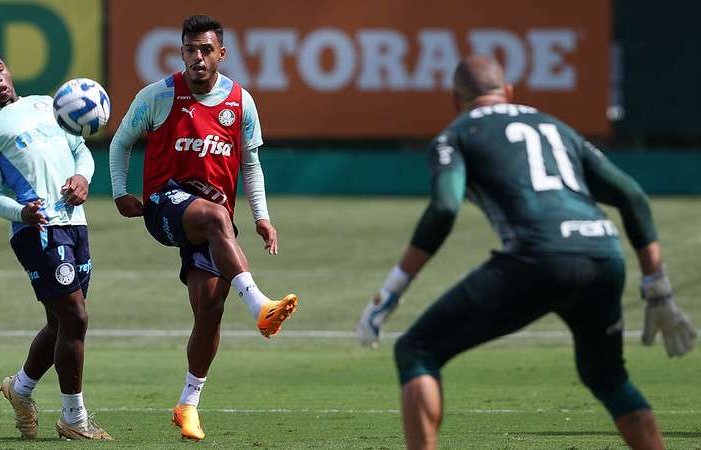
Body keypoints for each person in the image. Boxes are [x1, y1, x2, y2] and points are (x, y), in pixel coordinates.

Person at [357, 55, 696, 449]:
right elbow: (633, 196)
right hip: (604, 252)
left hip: (541, 256)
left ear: (455, 99)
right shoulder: (556, 127)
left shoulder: (457, 134)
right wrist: (658, 289)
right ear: (509, 92)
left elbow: (445, 207)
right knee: (608, 378)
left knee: (417, 350)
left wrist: (394, 289)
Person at [109, 15, 298, 441]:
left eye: (206, 49)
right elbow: (121, 142)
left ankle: (188, 404)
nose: (198, 57)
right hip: (164, 204)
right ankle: (260, 306)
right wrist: (121, 192)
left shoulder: (240, 101)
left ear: (221, 54)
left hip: (213, 220)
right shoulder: (158, 96)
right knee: (215, 218)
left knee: (210, 310)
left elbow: (250, 163)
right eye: (190, 49)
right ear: (181, 53)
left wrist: (261, 216)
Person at [0, 45, 111, 441]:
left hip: (75, 224)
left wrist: (83, 179)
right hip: (37, 231)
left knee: (59, 322)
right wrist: (22, 214)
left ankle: (20, 389)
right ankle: (74, 419)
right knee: (76, 318)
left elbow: (81, 152)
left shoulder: (49, 105)